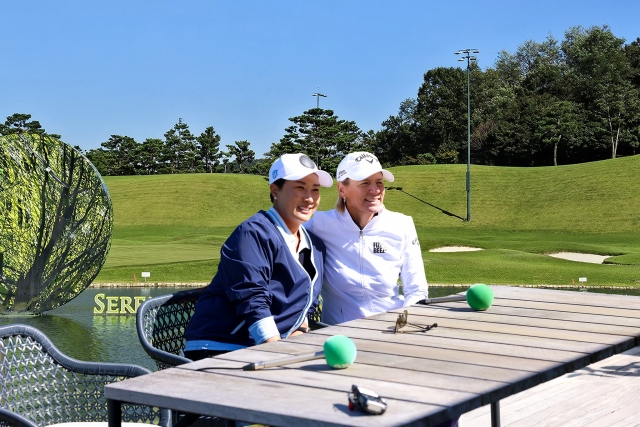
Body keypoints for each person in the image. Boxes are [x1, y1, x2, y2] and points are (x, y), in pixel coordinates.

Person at [184, 153, 333, 360]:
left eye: (315, 190)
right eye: (300, 187)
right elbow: (252, 301)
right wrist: (280, 355)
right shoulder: (252, 233)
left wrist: (298, 338)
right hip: (222, 346)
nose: (309, 198)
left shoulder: (315, 246)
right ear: (275, 191)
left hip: (269, 347)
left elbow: (306, 306)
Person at [305, 151, 428, 325]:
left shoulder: (402, 224)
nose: (375, 190)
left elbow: (417, 289)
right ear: (342, 189)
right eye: (365, 183)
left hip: (392, 330)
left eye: (379, 182)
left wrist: (405, 323)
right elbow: (281, 238)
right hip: (340, 336)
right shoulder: (319, 225)